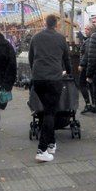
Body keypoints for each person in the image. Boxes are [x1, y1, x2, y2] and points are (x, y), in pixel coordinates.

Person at [29, 14, 71, 162]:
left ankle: (52, 143)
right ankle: (42, 149)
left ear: (45, 23)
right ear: (57, 24)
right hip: (54, 78)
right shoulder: (60, 38)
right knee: (50, 113)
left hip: (38, 78)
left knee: (47, 110)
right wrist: (69, 72)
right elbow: (66, 58)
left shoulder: (36, 37)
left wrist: (35, 72)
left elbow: (31, 58)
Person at [77, 24, 95, 114]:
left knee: (82, 84)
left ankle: (88, 104)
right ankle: (94, 105)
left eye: (87, 29)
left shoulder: (90, 40)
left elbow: (86, 54)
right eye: (85, 29)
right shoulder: (91, 39)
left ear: (91, 30)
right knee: (91, 85)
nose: (86, 31)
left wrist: (81, 64)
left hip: (86, 66)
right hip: (90, 66)